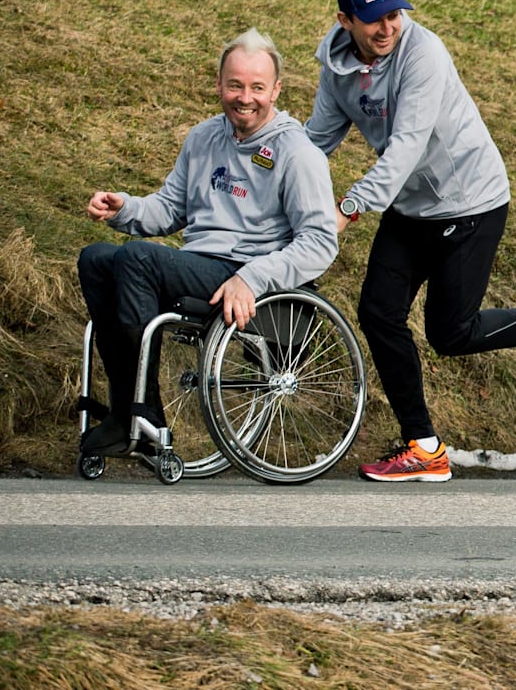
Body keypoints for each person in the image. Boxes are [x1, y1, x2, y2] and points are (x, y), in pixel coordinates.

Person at [306, 0, 516, 484]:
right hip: (410, 206)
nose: (387, 28)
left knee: (452, 333)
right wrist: (274, 178)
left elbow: (405, 146)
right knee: (378, 312)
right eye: (373, 19)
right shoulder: (337, 69)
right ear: (345, 20)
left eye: (394, 15)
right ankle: (424, 446)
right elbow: (317, 140)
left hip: (470, 202)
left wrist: (349, 208)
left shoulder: (424, 53)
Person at [77, 29, 339, 455]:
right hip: (199, 264)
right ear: (219, 84)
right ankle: (128, 411)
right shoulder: (203, 138)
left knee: (137, 259)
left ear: (276, 90)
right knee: (97, 259)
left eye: (257, 87)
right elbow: (169, 209)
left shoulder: (296, 151)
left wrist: (252, 279)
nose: (245, 97)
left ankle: (139, 414)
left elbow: (320, 242)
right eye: (235, 85)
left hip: (248, 273)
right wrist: (124, 208)